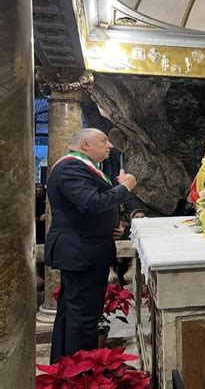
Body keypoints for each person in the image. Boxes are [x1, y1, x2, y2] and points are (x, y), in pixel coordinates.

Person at [45, 128, 137, 363]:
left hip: (86, 249)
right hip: (80, 252)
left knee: (72, 314)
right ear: (85, 145)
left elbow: (88, 209)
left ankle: (63, 369)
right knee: (83, 320)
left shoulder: (84, 167)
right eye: (103, 141)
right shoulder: (70, 167)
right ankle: (82, 375)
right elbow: (91, 203)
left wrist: (111, 227)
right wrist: (124, 187)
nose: (109, 146)